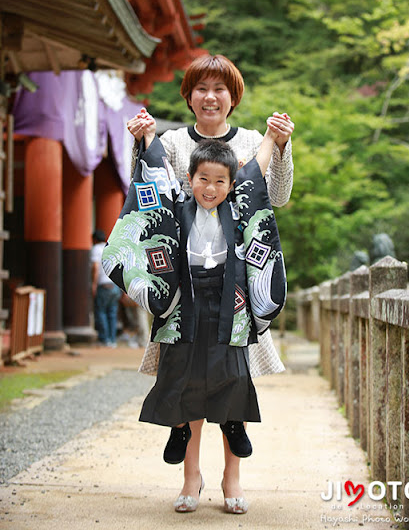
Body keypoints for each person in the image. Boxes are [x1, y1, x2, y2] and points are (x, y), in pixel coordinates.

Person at [125, 54, 294, 512]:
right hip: (187, 288)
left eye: (220, 89)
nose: (211, 96)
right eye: (202, 88)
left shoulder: (254, 141)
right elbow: (152, 189)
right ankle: (191, 477)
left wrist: (279, 146)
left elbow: (274, 196)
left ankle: (231, 478)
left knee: (231, 379)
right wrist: (143, 140)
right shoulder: (174, 140)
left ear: (233, 97)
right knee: (186, 375)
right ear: (189, 95)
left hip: (234, 287)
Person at [91, 229, 121, 347]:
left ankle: (105, 339)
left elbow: (95, 267)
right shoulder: (111, 248)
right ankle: (112, 340)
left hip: (103, 284)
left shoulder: (96, 249)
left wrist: (93, 284)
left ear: (94, 239)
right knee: (112, 313)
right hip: (114, 285)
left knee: (101, 312)